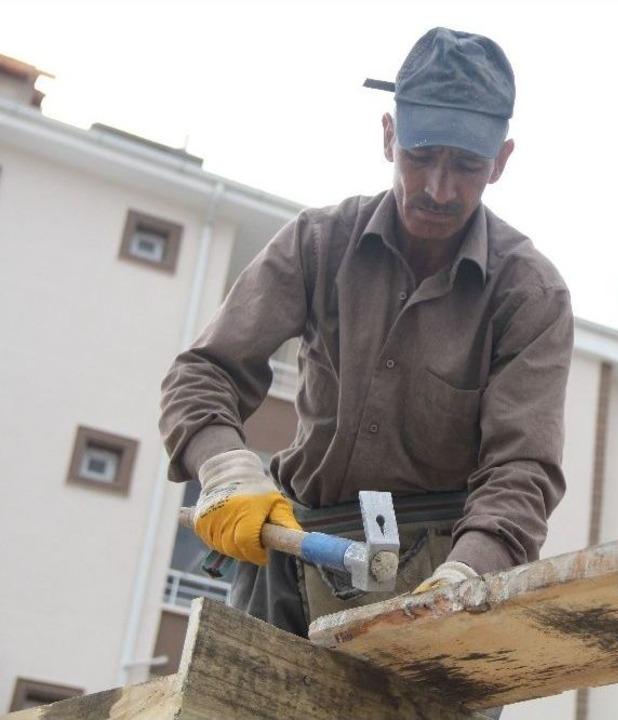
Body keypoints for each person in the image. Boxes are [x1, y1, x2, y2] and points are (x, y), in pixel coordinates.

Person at [159, 27, 573, 641]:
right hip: (292, 558)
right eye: (421, 155)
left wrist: (468, 575)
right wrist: (224, 470)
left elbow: (522, 470)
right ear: (388, 137)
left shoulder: (529, 294)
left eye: (465, 165)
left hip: (442, 570)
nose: (439, 188)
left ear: (502, 161)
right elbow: (204, 373)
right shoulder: (317, 243)